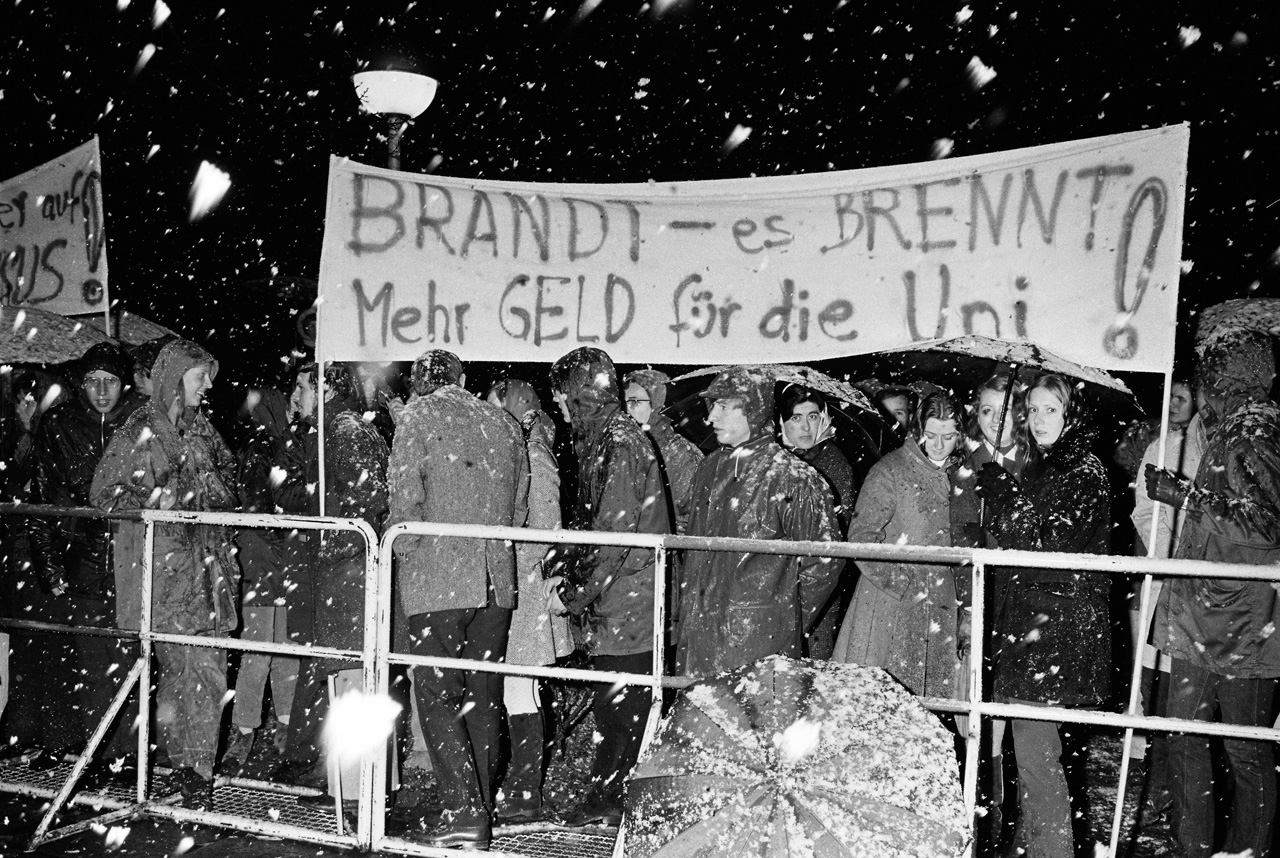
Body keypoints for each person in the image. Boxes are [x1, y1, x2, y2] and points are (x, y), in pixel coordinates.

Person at [1146, 329, 1280, 858]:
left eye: (1209, 379)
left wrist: (1185, 495)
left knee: (1243, 749)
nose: (1204, 394)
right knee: (1186, 739)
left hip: (1240, 622)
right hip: (1207, 616)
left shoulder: (1256, 432)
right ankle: (1196, 847)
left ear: (1227, 378)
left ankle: (1243, 849)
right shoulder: (1235, 430)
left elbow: (1266, 525)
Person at [91, 339, 240, 808]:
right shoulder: (141, 430)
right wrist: (152, 504)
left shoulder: (202, 430)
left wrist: (205, 494)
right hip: (167, 576)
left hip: (207, 574)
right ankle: (189, 769)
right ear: (176, 378)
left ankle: (192, 771)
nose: (209, 385)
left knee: (203, 672)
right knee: (188, 674)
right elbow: (104, 493)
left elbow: (229, 483)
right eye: (200, 376)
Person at [388, 350, 528, 849]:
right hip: (496, 578)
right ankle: (482, 803)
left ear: (419, 382)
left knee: (437, 692)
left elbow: (405, 504)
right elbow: (520, 506)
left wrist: (395, 545)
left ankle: (463, 811)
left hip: (438, 580)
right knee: (483, 695)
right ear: (464, 379)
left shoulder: (418, 417)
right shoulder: (506, 423)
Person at [976, 373, 1112, 858]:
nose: (1036, 420)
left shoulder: (1083, 472)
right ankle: (1039, 848)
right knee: (1033, 757)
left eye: (1049, 409)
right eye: (1031, 410)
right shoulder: (1053, 466)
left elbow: (1045, 545)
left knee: (1038, 761)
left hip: (1055, 636)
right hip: (1037, 634)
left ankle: (1051, 851)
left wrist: (999, 486)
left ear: (1070, 412)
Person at [545, 347, 669, 828]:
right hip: (624, 597)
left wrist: (574, 592)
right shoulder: (609, 439)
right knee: (617, 705)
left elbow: (611, 535)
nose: (559, 407)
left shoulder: (617, 443)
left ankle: (618, 800)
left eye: (563, 397)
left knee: (622, 708)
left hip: (628, 600)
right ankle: (611, 797)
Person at [674, 366, 841, 678]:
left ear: (752, 409)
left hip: (755, 648)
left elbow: (825, 562)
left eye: (723, 408)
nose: (711, 419)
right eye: (713, 408)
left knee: (755, 723)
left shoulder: (793, 478)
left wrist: (779, 617)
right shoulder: (708, 470)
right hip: (698, 641)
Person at [28, 343, 142, 776]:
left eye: (109, 381)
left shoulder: (138, 423)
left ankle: (123, 752)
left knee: (130, 660)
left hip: (131, 554)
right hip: (82, 557)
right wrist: (50, 566)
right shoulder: (59, 425)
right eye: (92, 381)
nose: (101, 390)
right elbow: (42, 499)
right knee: (89, 660)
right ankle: (92, 748)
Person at [274, 364, 389, 792]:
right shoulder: (327, 429)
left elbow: (367, 496)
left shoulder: (341, 429)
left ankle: (356, 787)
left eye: (302, 387)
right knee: (340, 667)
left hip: (345, 571)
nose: (296, 396)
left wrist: (334, 544)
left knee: (347, 670)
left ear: (323, 389)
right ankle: (342, 777)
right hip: (340, 567)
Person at [834, 390, 963, 699]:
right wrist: (901, 583)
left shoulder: (963, 474)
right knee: (884, 700)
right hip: (890, 606)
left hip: (942, 607)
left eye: (949, 436)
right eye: (931, 435)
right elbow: (861, 537)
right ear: (918, 430)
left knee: (932, 703)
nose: (940, 445)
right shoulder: (891, 471)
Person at [486, 379, 573, 824]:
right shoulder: (524, 446)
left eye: (492, 405)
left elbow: (545, 526)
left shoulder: (534, 451)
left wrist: (512, 560)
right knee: (511, 691)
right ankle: (521, 787)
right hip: (512, 585)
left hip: (523, 590)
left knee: (520, 692)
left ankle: (526, 791)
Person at [220, 387, 305, 776]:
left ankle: (280, 727)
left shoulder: (280, 446)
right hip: (263, 558)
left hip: (274, 558)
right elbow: (258, 507)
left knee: (283, 649)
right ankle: (246, 730)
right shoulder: (263, 450)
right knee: (260, 652)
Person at [1127, 376, 1202, 818]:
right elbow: (1144, 508)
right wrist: (1163, 549)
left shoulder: (1210, 448)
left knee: (1187, 694)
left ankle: (1186, 794)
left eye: (1183, 397)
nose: (1173, 403)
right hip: (1164, 577)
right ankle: (1158, 784)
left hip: (1203, 585)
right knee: (1155, 684)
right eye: (1170, 396)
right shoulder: (1159, 447)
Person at [777, 385, 858, 660]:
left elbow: (839, 532)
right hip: (776, 587)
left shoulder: (834, 464)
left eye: (812, 416)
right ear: (781, 421)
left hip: (819, 590)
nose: (805, 427)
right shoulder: (774, 462)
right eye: (796, 418)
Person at [621, 369, 704, 533]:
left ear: (657, 404)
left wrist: (668, 528)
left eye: (634, 402)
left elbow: (694, 520)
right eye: (623, 403)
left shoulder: (683, 455)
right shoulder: (628, 449)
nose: (626, 411)